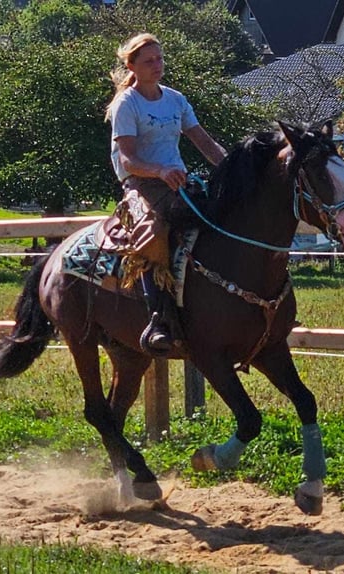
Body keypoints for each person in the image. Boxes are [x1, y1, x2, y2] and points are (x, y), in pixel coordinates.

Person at [104, 32, 227, 354]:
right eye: (149, 61)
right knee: (153, 233)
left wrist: (234, 167)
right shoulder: (126, 105)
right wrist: (159, 170)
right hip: (142, 182)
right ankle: (158, 317)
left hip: (178, 179)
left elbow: (204, 142)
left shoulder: (175, 99)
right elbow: (128, 159)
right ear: (131, 65)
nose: (157, 65)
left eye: (159, 58)